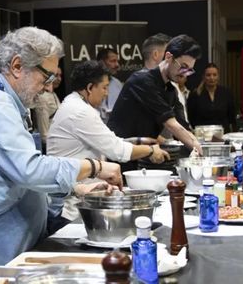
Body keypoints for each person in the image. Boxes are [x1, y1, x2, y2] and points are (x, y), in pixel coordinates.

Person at [0, 27, 122, 275]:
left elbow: (9, 173)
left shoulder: (7, 101)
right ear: (17, 66)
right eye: (47, 77)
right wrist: (94, 166)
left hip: (9, 243)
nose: (48, 87)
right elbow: (28, 170)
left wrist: (77, 188)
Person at [47, 60, 170, 223]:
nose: (106, 93)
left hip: (81, 198)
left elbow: (108, 140)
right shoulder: (80, 111)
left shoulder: (74, 104)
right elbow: (118, 151)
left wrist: (139, 140)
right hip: (73, 208)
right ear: (90, 88)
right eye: (104, 87)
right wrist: (151, 151)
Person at [108, 35, 203, 172]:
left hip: (141, 158)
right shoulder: (142, 81)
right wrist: (199, 151)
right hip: (120, 158)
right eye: (183, 67)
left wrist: (199, 147)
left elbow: (183, 126)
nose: (185, 74)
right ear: (169, 57)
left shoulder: (170, 90)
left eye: (189, 70)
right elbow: (171, 124)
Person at [187, 63, 237, 133]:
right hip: (203, 135)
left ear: (218, 76)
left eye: (214, 75)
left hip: (223, 134)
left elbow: (232, 117)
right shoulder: (195, 94)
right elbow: (191, 117)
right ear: (203, 77)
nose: (212, 78)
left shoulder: (226, 93)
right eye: (208, 75)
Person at [34, 67, 62, 151]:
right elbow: (43, 133)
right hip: (49, 147)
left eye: (60, 75)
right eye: (56, 75)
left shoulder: (52, 94)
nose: (59, 79)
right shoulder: (43, 98)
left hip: (56, 142)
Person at [96, 48, 122, 123]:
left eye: (117, 61)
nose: (117, 65)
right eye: (113, 61)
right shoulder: (92, 84)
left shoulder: (118, 84)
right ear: (101, 62)